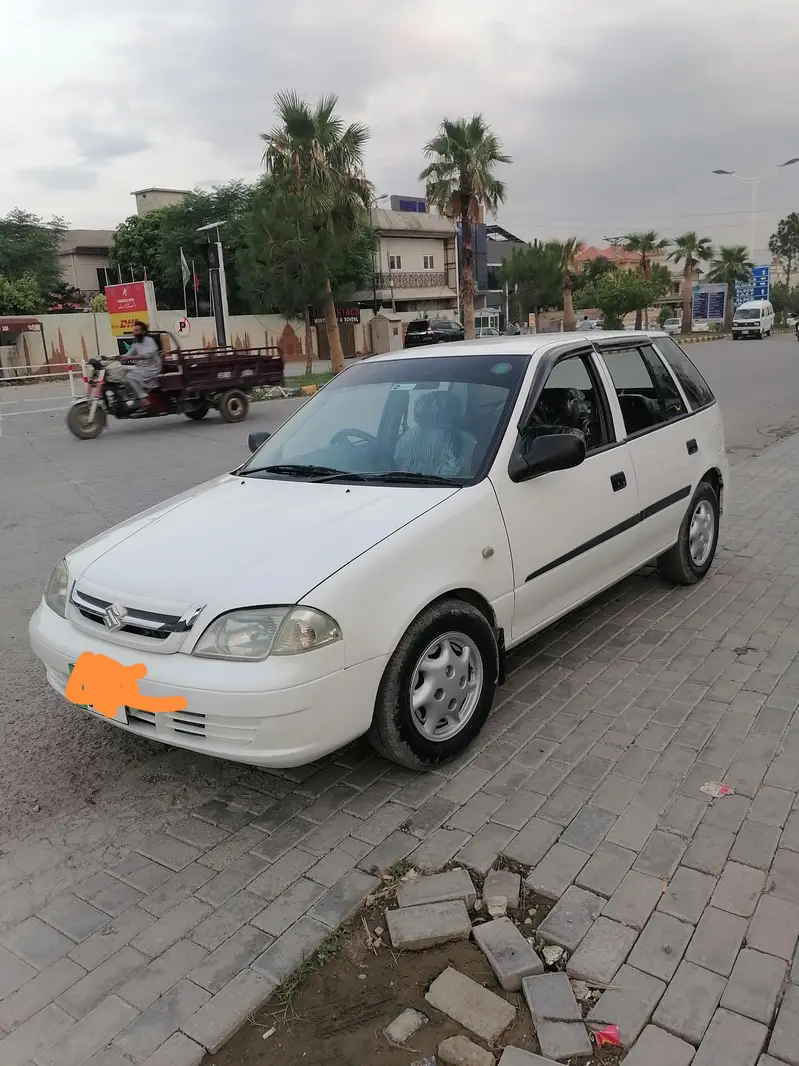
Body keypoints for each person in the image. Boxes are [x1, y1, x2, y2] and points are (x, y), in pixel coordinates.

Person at [120, 321, 162, 406]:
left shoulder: (150, 341)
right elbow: (128, 355)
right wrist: (115, 358)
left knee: (130, 376)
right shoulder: (136, 343)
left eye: (137, 330)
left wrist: (130, 357)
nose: (135, 332)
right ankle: (130, 398)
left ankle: (143, 398)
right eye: (134, 330)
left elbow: (147, 355)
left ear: (143, 331)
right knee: (121, 372)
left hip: (152, 368)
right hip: (141, 368)